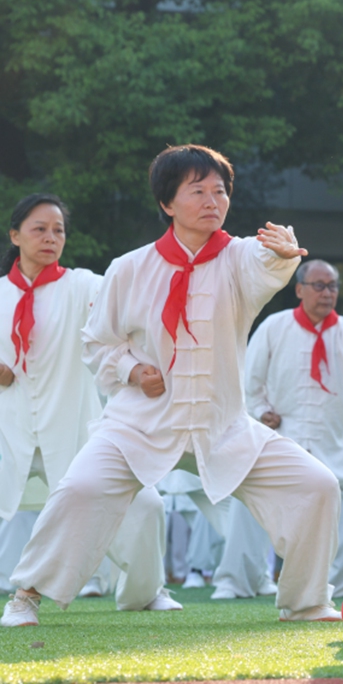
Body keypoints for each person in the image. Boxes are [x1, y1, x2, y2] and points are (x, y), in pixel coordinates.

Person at [2, 145, 341, 627]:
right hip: (138, 423)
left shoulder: (240, 257)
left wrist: (282, 254)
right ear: (167, 203)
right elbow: (99, 343)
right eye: (197, 191)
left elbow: (265, 268)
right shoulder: (129, 267)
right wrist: (133, 371)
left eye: (219, 191)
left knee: (318, 485)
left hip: (221, 425)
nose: (212, 201)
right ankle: (26, 596)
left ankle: (306, 603)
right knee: (79, 489)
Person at [0, 193, 174, 617]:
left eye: (58, 230)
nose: (50, 237)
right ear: (15, 235)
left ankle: (144, 592)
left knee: (147, 504)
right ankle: (24, 596)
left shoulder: (84, 286)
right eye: (39, 228)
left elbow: (126, 311)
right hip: (8, 430)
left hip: (74, 429)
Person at [245, 259, 343, 598]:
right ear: (299, 290)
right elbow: (250, 379)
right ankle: (246, 580)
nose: (327, 292)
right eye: (319, 285)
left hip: (337, 442)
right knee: (269, 511)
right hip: (284, 438)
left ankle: (342, 588)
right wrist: (260, 411)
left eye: (332, 286)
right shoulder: (275, 326)